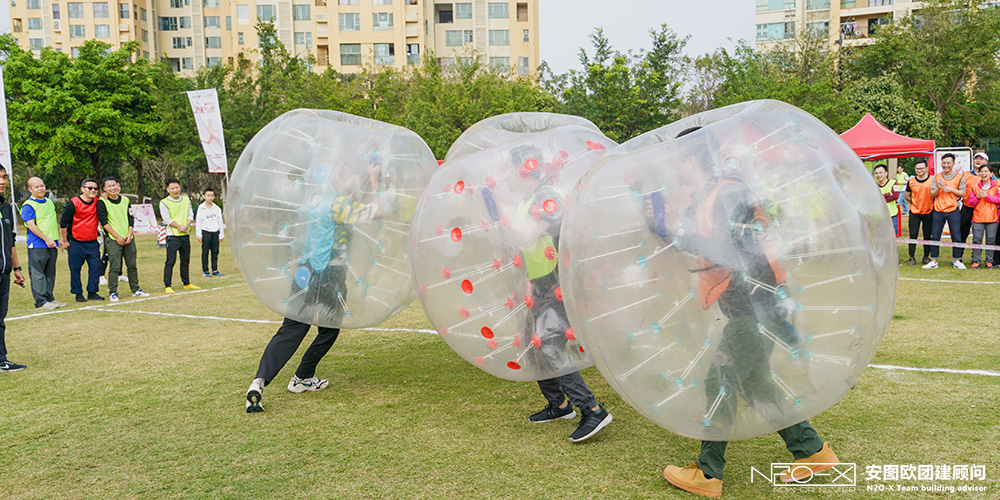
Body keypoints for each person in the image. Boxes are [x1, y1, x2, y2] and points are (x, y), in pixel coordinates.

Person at [647, 127, 838, 498]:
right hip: (752, 305)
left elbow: (726, 249)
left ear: (691, 158)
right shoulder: (716, 192)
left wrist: (675, 232)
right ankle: (811, 450)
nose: (675, 166)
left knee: (719, 381)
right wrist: (668, 229)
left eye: (679, 159)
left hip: (753, 305)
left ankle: (708, 473)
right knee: (754, 383)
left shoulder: (725, 192)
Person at [494, 145, 612, 442]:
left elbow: (526, 235)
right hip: (539, 284)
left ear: (525, 168)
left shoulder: (547, 196)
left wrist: (497, 203)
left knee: (546, 341)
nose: (503, 174)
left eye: (507, 167)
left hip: (561, 284)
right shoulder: (525, 200)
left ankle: (592, 410)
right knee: (529, 342)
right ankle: (559, 405)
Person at [246, 161, 383, 413]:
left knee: (291, 329)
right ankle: (302, 375)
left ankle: (259, 381)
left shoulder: (315, 200)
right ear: (337, 180)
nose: (351, 180)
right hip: (330, 273)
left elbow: (348, 204)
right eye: (347, 176)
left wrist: (362, 183)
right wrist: (374, 181)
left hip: (305, 271)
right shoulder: (339, 205)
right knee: (329, 328)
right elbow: (377, 212)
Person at [97, 177, 150, 302]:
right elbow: (104, 222)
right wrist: (116, 236)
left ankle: (135, 289)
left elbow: (130, 217)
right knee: (115, 266)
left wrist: (130, 233)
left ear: (118, 186)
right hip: (113, 238)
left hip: (128, 237)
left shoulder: (125, 200)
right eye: (109, 186)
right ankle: (113, 292)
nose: (112, 188)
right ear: (104, 189)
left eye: (114, 185)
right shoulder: (102, 202)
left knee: (132, 265)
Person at [20, 177, 65, 310]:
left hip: (52, 244)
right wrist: (46, 239)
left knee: (50, 273)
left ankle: (50, 297)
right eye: (37, 186)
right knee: (38, 274)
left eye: (42, 185)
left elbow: (52, 222)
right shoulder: (28, 205)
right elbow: (31, 225)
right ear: (30, 189)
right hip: (37, 245)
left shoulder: (49, 202)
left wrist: (58, 239)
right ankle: (41, 301)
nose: (40, 188)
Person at [0, 166, 28, 373]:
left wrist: (16, 268)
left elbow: (10, 242)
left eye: (4, 177)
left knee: (0, 319)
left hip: (4, 272)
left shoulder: (6, 207)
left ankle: (1, 360)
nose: (2, 182)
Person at [60, 178, 105, 302]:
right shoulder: (73, 203)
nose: (93, 190)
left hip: (92, 241)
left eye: (95, 188)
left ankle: (92, 291)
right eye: (89, 188)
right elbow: (63, 223)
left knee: (95, 267)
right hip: (76, 241)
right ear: (82, 189)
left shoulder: (98, 202)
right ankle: (78, 293)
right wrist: (64, 241)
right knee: (75, 269)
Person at [924, 153, 966, 269]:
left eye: (948, 163)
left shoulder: (959, 177)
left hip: (953, 209)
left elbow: (963, 193)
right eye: (944, 163)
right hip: (938, 210)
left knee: (956, 235)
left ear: (953, 164)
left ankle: (957, 260)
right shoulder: (936, 177)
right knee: (935, 235)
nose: (946, 165)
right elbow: (933, 194)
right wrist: (939, 187)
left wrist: (950, 189)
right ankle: (934, 260)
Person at [160, 178, 199, 293]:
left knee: (185, 260)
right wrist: (179, 227)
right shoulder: (164, 202)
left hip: (185, 234)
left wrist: (186, 226)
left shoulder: (186, 199)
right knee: (170, 260)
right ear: (168, 190)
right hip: (172, 235)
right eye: (172, 188)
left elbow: (190, 214)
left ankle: (186, 283)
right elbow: (167, 219)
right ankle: (168, 285)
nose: (175, 190)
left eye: (177, 187)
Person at [965, 163, 1000, 269]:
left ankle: (989, 261)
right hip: (978, 218)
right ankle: (976, 261)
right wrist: (977, 197)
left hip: (992, 218)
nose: (983, 173)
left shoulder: (997, 186)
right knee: (977, 240)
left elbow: (998, 199)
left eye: (986, 171)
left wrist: (988, 196)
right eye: (982, 171)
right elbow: (970, 202)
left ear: (991, 174)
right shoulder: (975, 186)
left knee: (991, 240)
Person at [956, 153, 987, 265]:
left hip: (983, 208)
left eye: (981, 159)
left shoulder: (989, 175)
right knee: (962, 232)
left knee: (981, 235)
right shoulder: (965, 174)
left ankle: (978, 259)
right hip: (967, 207)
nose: (978, 161)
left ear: (986, 162)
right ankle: (958, 257)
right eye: (976, 158)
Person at [905, 160, 934, 266]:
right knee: (913, 235)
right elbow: (907, 195)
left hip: (929, 211)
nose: (919, 170)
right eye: (917, 168)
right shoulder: (911, 181)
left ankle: (926, 256)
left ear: (926, 168)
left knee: (927, 235)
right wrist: (915, 202)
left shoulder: (932, 180)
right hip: (915, 212)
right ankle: (911, 257)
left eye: (921, 168)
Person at [196, 188, 225, 278]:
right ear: (204, 196)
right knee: (205, 253)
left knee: (215, 252)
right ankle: (205, 271)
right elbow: (199, 221)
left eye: (212, 196)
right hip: (206, 232)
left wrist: (221, 234)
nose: (210, 198)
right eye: (208, 196)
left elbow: (220, 222)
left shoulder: (216, 208)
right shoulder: (201, 208)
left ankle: (215, 270)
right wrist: (199, 235)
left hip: (215, 232)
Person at [873, 164, 900, 233]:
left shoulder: (893, 182)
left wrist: (880, 198)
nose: (878, 175)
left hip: (891, 215)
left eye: (880, 173)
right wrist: (888, 194)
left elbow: (895, 196)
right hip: (878, 216)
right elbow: (873, 199)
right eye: (876, 173)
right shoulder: (873, 185)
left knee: (893, 235)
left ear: (886, 173)